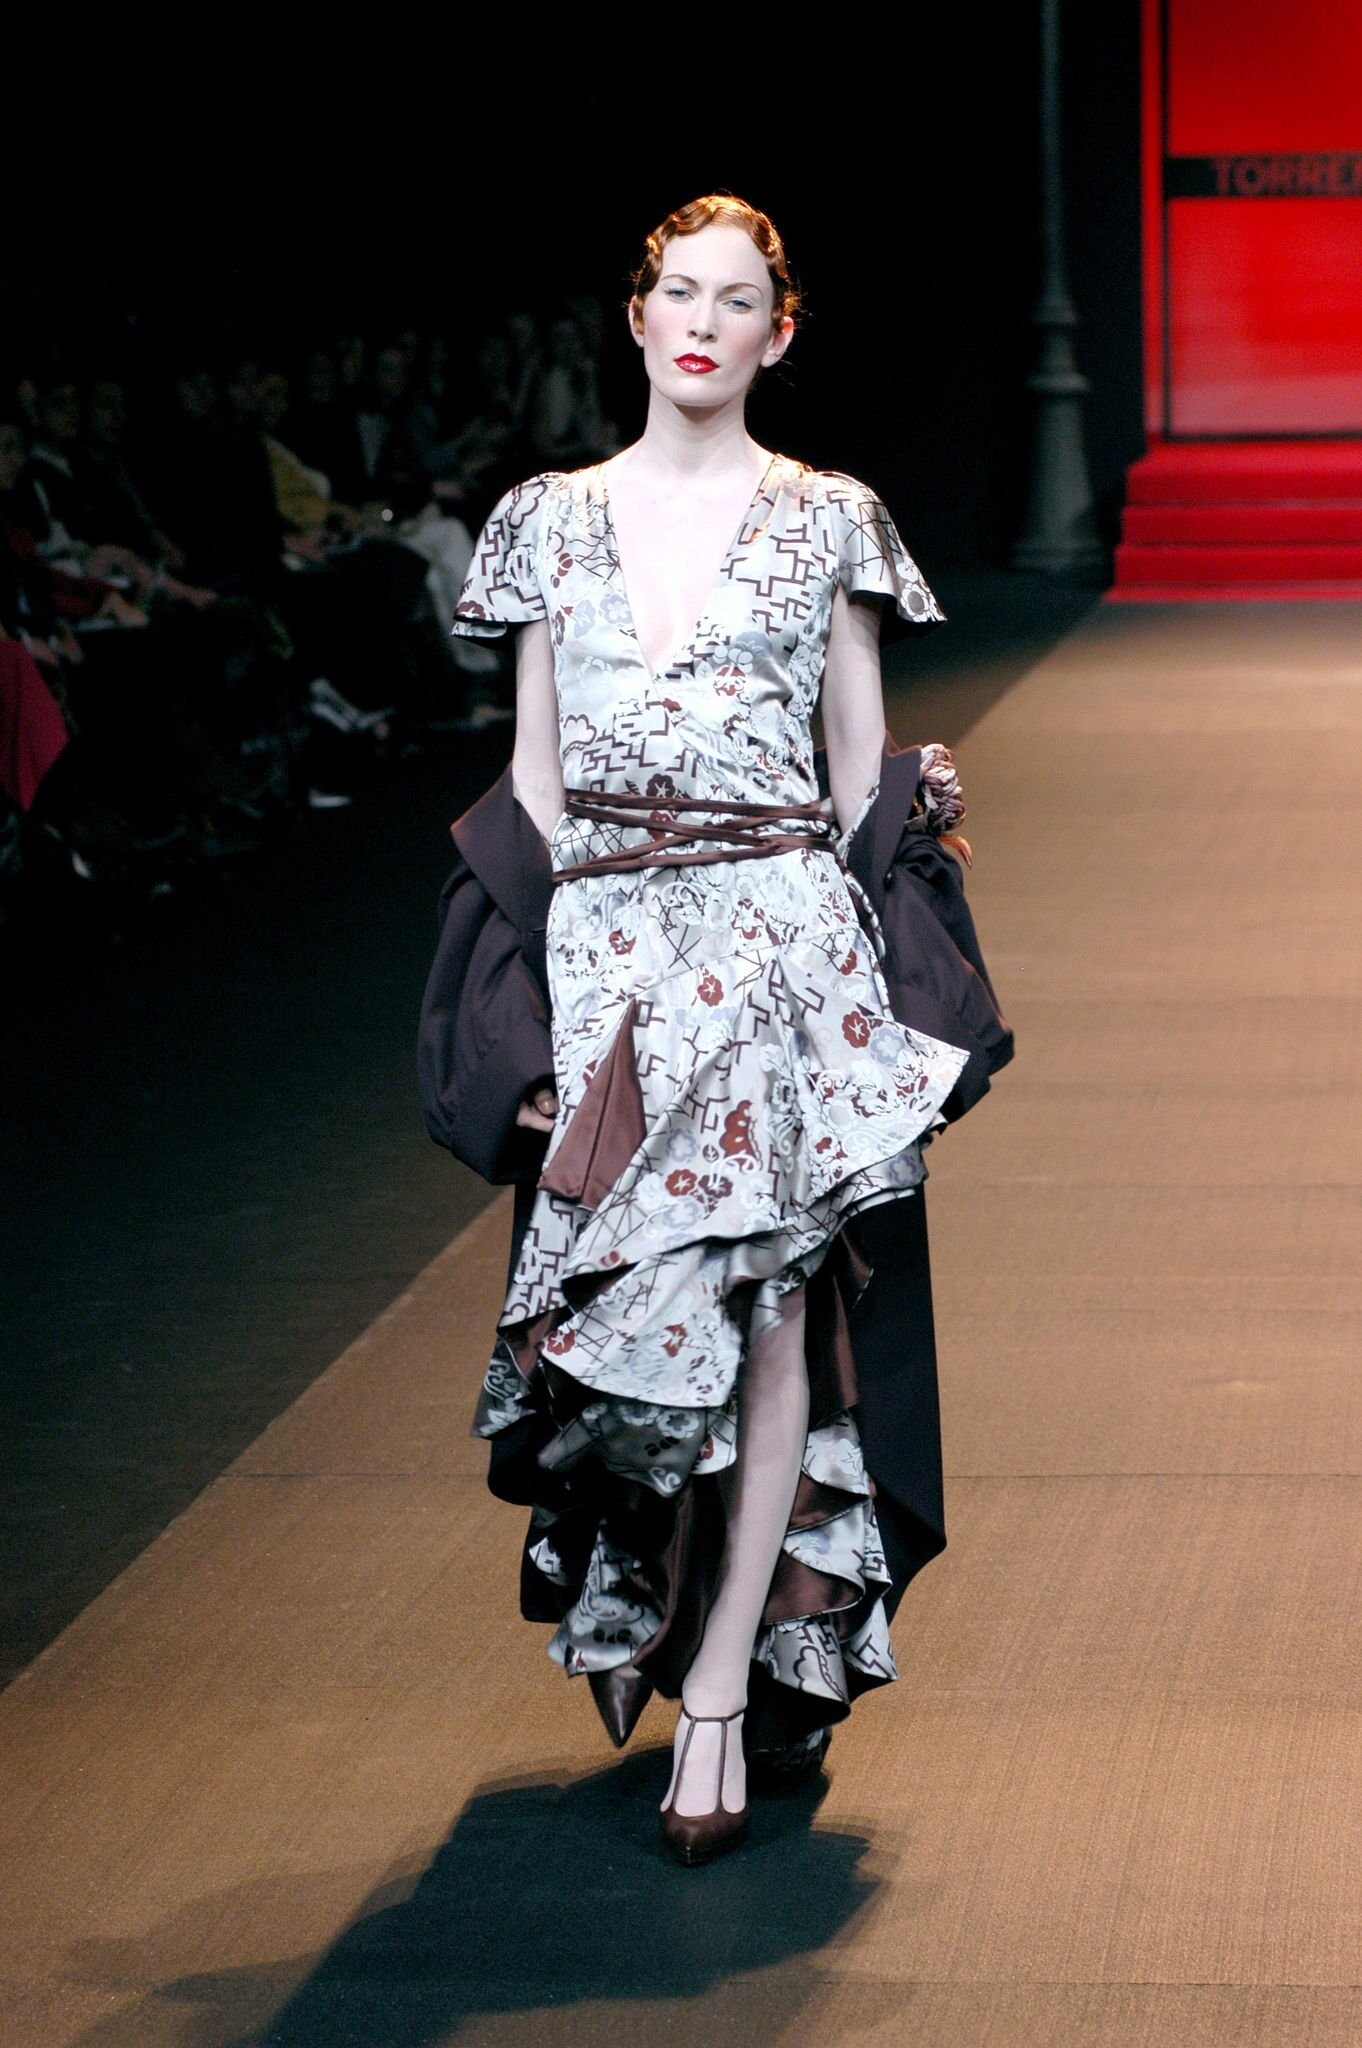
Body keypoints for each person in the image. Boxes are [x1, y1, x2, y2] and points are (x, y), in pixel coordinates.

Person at [446, 195, 975, 1866]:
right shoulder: (544, 518)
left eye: (734, 299)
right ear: (636, 315)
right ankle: (690, 1634)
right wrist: (535, 1000)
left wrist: (902, 875)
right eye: (677, 292)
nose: (700, 321)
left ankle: (727, 1690)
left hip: (772, 947)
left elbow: (856, 771)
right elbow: (533, 779)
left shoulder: (831, 517)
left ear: (777, 331)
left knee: (768, 1308)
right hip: (608, 950)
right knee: (619, 1341)